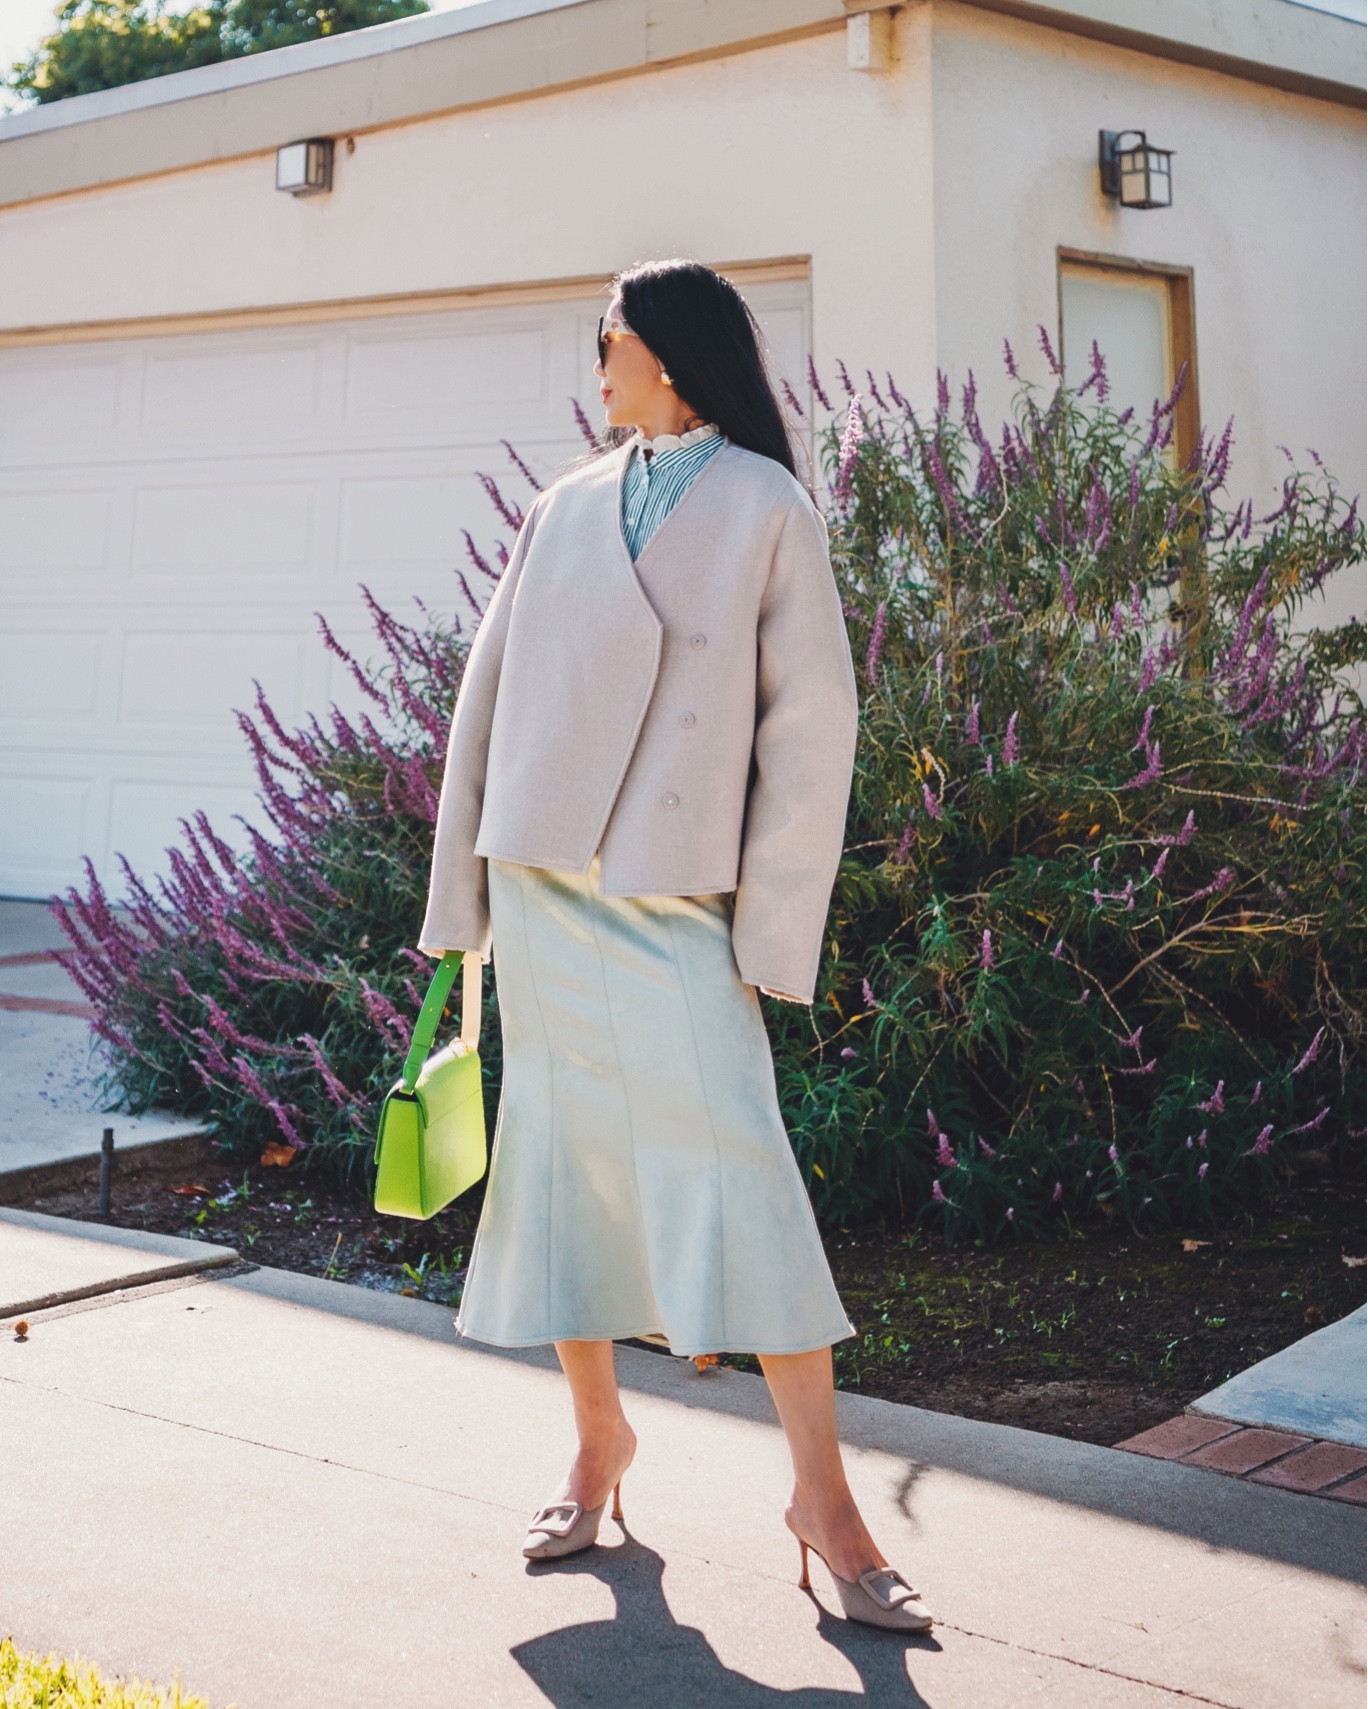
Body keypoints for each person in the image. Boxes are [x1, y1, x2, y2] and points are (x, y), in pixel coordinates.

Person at [419, 258, 933, 1633]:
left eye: (613, 343)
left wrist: (768, 927)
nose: (598, 368)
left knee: (745, 1172)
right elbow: (487, 697)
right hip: (540, 881)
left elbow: (812, 730)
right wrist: (459, 897)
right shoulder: (562, 504)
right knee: (562, 1167)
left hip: (670, 891)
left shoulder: (769, 505)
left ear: (671, 356)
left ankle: (822, 1501)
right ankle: (598, 1448)